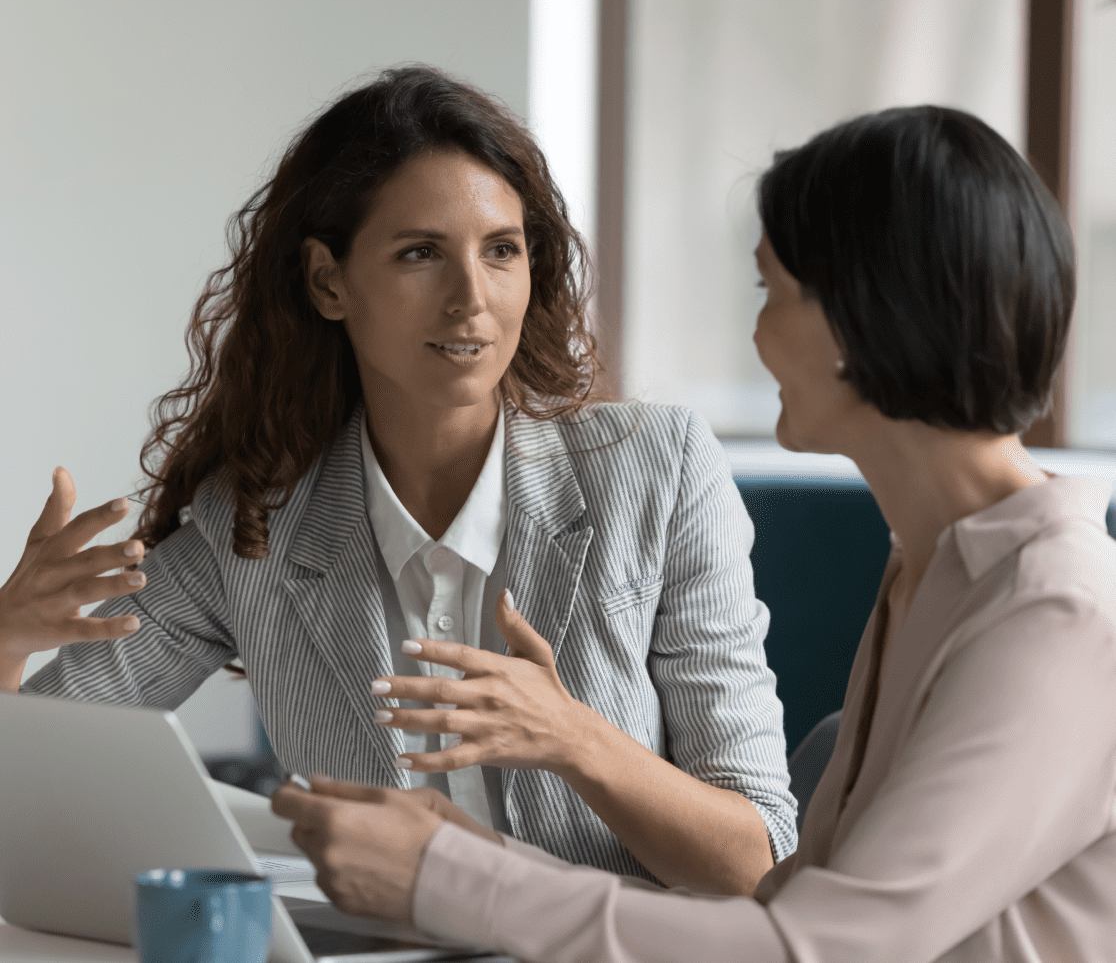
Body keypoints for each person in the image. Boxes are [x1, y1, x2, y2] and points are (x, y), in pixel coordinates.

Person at [271, 104, 1116, 963]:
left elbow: (820, 948)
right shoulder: (932, 573)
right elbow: (790, 905)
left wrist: (445, 878)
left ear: (865, 319)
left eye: (771, 292)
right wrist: (477, 859)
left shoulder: (1057, 612)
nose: (757, 334)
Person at [0, 65, 796, 894]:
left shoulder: (656, 471)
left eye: (501, 252)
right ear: (328, 282)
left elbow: (757, 864)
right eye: (421, 253)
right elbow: (28, 797)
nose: (471, 301)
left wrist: (572, 737)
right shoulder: (253, 529)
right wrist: (5, 640)